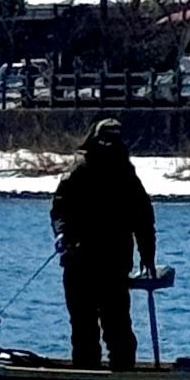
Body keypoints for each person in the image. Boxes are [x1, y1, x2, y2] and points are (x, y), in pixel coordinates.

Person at [49, 118, 156, 367]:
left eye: (115, 138)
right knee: (83, 325)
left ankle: (123, 376)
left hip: (114, 263)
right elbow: (59, 208)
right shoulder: (78, 170)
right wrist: (62, 233)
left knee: (117, 324)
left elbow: (143, 218)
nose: (110, 143)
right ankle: (86, 376)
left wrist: (147, 256)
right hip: (79, 261)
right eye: (106, 137)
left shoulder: (127, 175)